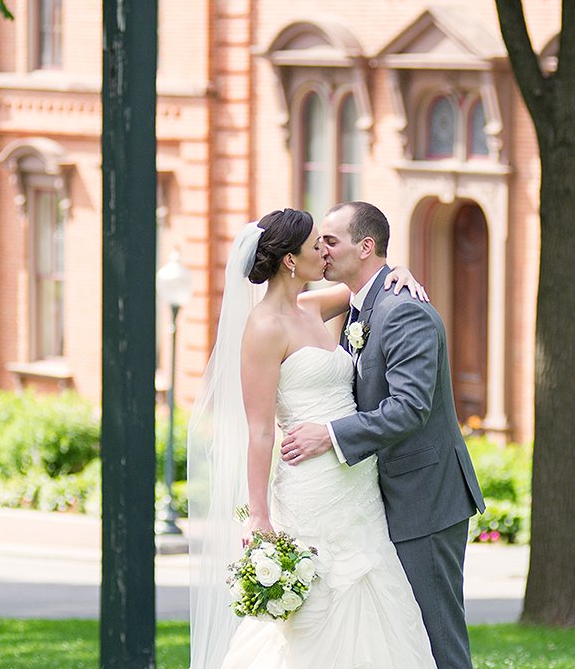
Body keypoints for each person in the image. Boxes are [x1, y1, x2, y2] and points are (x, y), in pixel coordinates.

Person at [187, 208, 436, 669]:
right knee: (318, 606)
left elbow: (371, 281)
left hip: (355, 479)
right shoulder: (263, 328)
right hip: (309, 481)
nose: (323, 251)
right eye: (315, 245)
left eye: (326, 243)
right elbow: (260, 429)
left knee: (374, 588)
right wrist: (258, 515)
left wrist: (399, 269)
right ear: (289, 260)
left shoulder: (311, 306)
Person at [280, 201, 486, 669]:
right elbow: (285, 305)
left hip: (426, 500)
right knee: (401, 638)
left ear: (365, 246)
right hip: (380, 499)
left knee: (437, 639)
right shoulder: (359, 304)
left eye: (330, 241)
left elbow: (410, 408)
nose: (321, 250)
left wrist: (328, 434)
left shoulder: (404, 312)